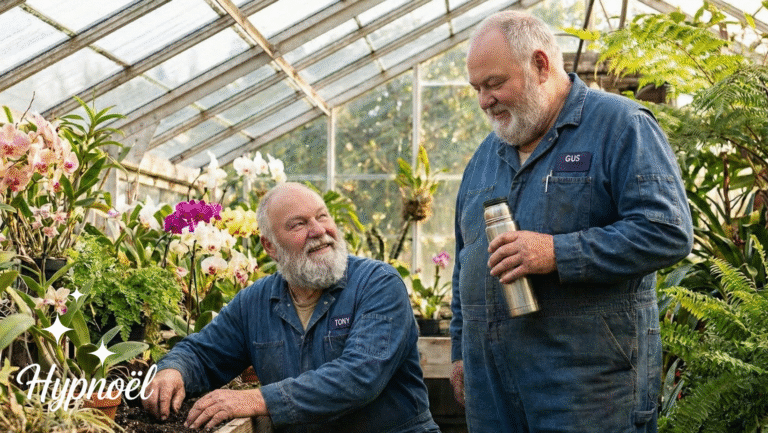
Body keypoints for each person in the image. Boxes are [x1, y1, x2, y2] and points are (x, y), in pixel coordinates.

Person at [448, 10, 693, 433]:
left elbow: (666, 230)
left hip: (587, 393)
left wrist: (556, 253)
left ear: (541, 65)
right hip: (493, 393)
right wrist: (458, 351)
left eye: (494, 83)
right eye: (476, 88)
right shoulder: (485, 156)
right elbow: (464, 261)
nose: (484, 100)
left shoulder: (621, 126)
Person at [143, 182, 441, 433]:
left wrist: (258, 400)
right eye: (298, 224)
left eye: (322, 217)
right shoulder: (255, 302)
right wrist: (173, 371)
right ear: (270, 246)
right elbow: (202, 353)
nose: (318, 230)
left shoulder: (377, 284)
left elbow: (360, 375)